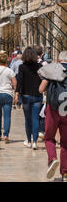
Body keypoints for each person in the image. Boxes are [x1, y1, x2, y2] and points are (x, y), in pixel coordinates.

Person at [38, 51, 67, 181]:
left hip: (53, 108)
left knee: (49, 137)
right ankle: (65, 173)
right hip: (66, 109)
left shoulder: (53, 70)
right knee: (66, 142)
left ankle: (52, 159)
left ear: (58, 59)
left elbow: (40, 89)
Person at [15, 46, 43, 149]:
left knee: (28, 119)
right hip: (37, 95)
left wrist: (17, 93)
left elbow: (20, 82)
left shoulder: (22, 67)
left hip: (26, 96)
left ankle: (29, 141)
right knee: (35, 118)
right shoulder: (40, 66)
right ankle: (35, 142)